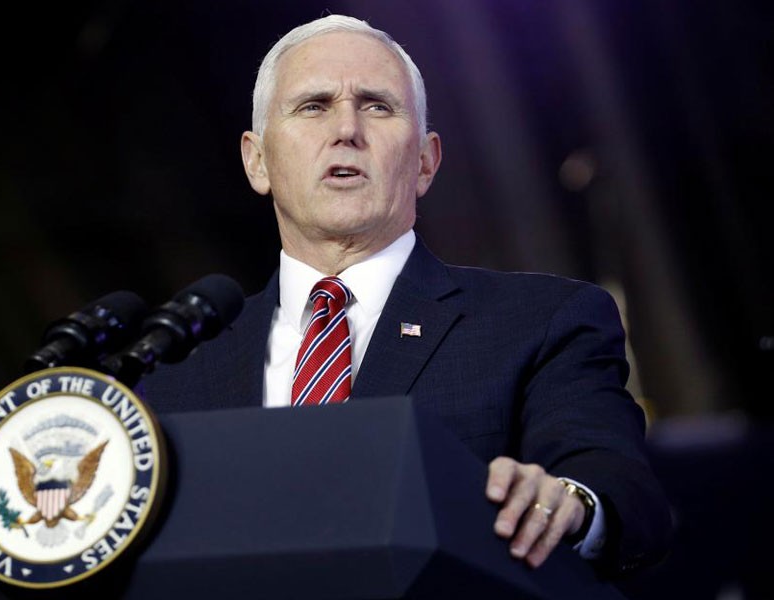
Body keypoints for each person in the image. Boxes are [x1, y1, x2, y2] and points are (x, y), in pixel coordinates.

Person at [143, 14, 671, 576]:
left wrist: (569, 502)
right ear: (258, 160)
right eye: (314, 106)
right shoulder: (174, 367)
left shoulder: (542, 321)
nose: (346, 129)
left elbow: (618, 487)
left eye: (377, 106)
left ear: (425, 162)